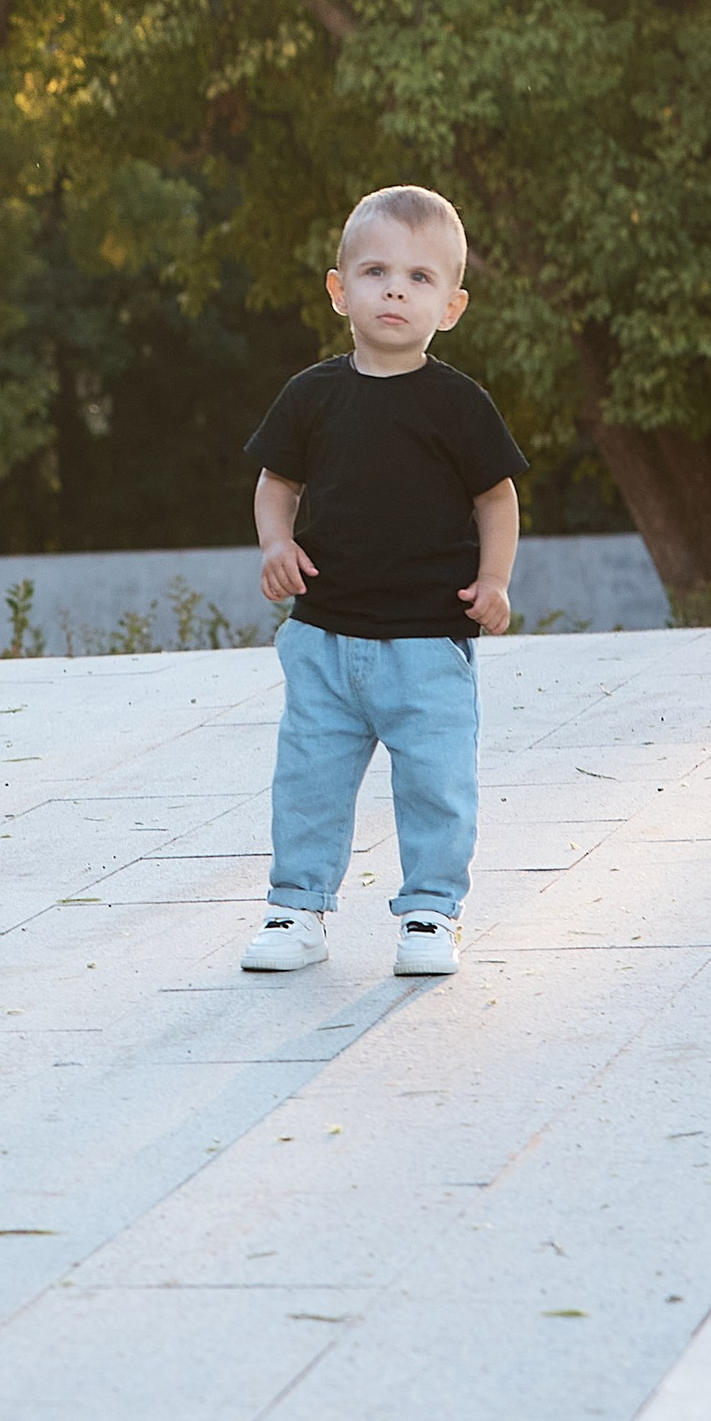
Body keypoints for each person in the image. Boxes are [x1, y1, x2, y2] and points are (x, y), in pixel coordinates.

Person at [237, 186, 526, 979]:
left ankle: (431, 911)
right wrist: (275, 543)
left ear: (453, 305)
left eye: (419, 278)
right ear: (340, 291)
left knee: (437, 782)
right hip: (324, 636)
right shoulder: (312, 395)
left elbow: (496, 498)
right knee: (308, 782)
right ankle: (296, 908)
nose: (395, 289)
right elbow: (277, 483)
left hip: (430, 642)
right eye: (375, 272)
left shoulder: (458, 406)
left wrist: (494, 579)